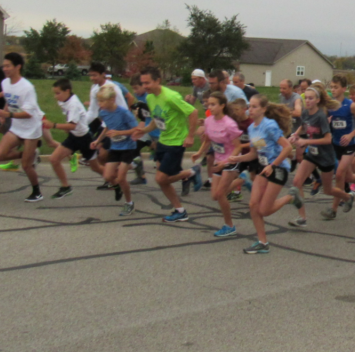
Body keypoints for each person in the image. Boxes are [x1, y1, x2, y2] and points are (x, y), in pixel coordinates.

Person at [228, 94, 298, 255]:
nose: (250, 109)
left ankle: (290, 197)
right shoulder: (252, 128)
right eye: (249, 106)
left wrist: (273, 165)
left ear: (263, 109)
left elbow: (287, 148)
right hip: (264, 167)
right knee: (253, 205)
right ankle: (262, 242)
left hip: (278, 168)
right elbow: (254, 153)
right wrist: (237, 158)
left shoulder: (270, 126)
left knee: (264, 210)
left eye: (254, 107)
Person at [139, 67, 200, 223]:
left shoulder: (171, 97)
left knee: (161, 179)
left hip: (177, 142)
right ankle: (180, 210)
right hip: (163, 140)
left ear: (157, 80)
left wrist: (190, 135)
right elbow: (156, 119)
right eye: (143, 83)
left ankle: (191, 173)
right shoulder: (150, 98)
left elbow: (193, 112)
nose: (145, 86)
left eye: (148, 83)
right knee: (164, 179)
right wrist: (143, 131)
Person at [288, 84, 352, 228]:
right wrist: (295, 134)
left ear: (317, 100)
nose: (308, 101)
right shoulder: (305, 113)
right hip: (312, 154)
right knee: (297, 182)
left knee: (327, 190)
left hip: (325, 156)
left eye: (311, 98)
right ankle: (301, 218)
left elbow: (327, 139)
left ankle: (348, 196)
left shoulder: (321, 116)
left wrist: (306, 140)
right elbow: (304, 126)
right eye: (306, 98)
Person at [191, 91, 246, 237]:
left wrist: (226, 162)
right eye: (208, 104)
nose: (210, 107)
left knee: (221, 194)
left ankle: (229, 226)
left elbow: (238, 146)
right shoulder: (209, 121)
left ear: (222, 106)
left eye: (213, 104)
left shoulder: (229, 124)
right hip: (218, 161)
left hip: (231, 160)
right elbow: (208, 140)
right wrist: (199, 152)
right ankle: (243, 180)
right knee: (215, 196)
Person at [0, 52, 46, 202]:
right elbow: (10, 100)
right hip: (16, 127)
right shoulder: (5, 83)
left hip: (31, 129)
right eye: (4, 66)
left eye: (8, 66)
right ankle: (29, 154)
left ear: (18, 67)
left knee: (26, 166)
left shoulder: (27, 88)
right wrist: (4, 112)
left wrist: (7, 115)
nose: (5, 69)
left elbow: (29, 113)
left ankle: (37, 192)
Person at [323, 75, 355, 220]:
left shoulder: (351, 106)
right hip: (336, 144)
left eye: (336, 87)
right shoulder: (329, 106)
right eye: (331, 87)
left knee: (339, 174)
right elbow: (326, 124)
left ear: (344, 89)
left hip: (350, 145)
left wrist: (351, 135)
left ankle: (333, 209)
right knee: (348, 176)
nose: (333, 90)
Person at [89, 84, 140, 216]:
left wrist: (119, 132)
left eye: (102, 101)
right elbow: (107, 128)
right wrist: (97, 140)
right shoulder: (103, 113)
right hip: (115, 147)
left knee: (121, 177)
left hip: (128, 147)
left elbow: (135, 130)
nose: (100, 104)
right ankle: (119, 184)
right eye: (98, 101)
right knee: (107, 176)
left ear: (112, 99)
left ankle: (129, 204)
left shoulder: (124, 113)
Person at [44, 79, 99, 199]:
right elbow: (72, 123)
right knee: (54, 159)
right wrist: (68, 128)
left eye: (58, 93)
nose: (55, 96)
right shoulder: (64, 100)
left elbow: (73, 125)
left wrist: (53, 125)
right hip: (74, 136)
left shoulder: (73, 103)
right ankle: (65, 187)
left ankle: (116, 181)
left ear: (67, 91)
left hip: (85, 138)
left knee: (96, 167)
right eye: (55, 93)